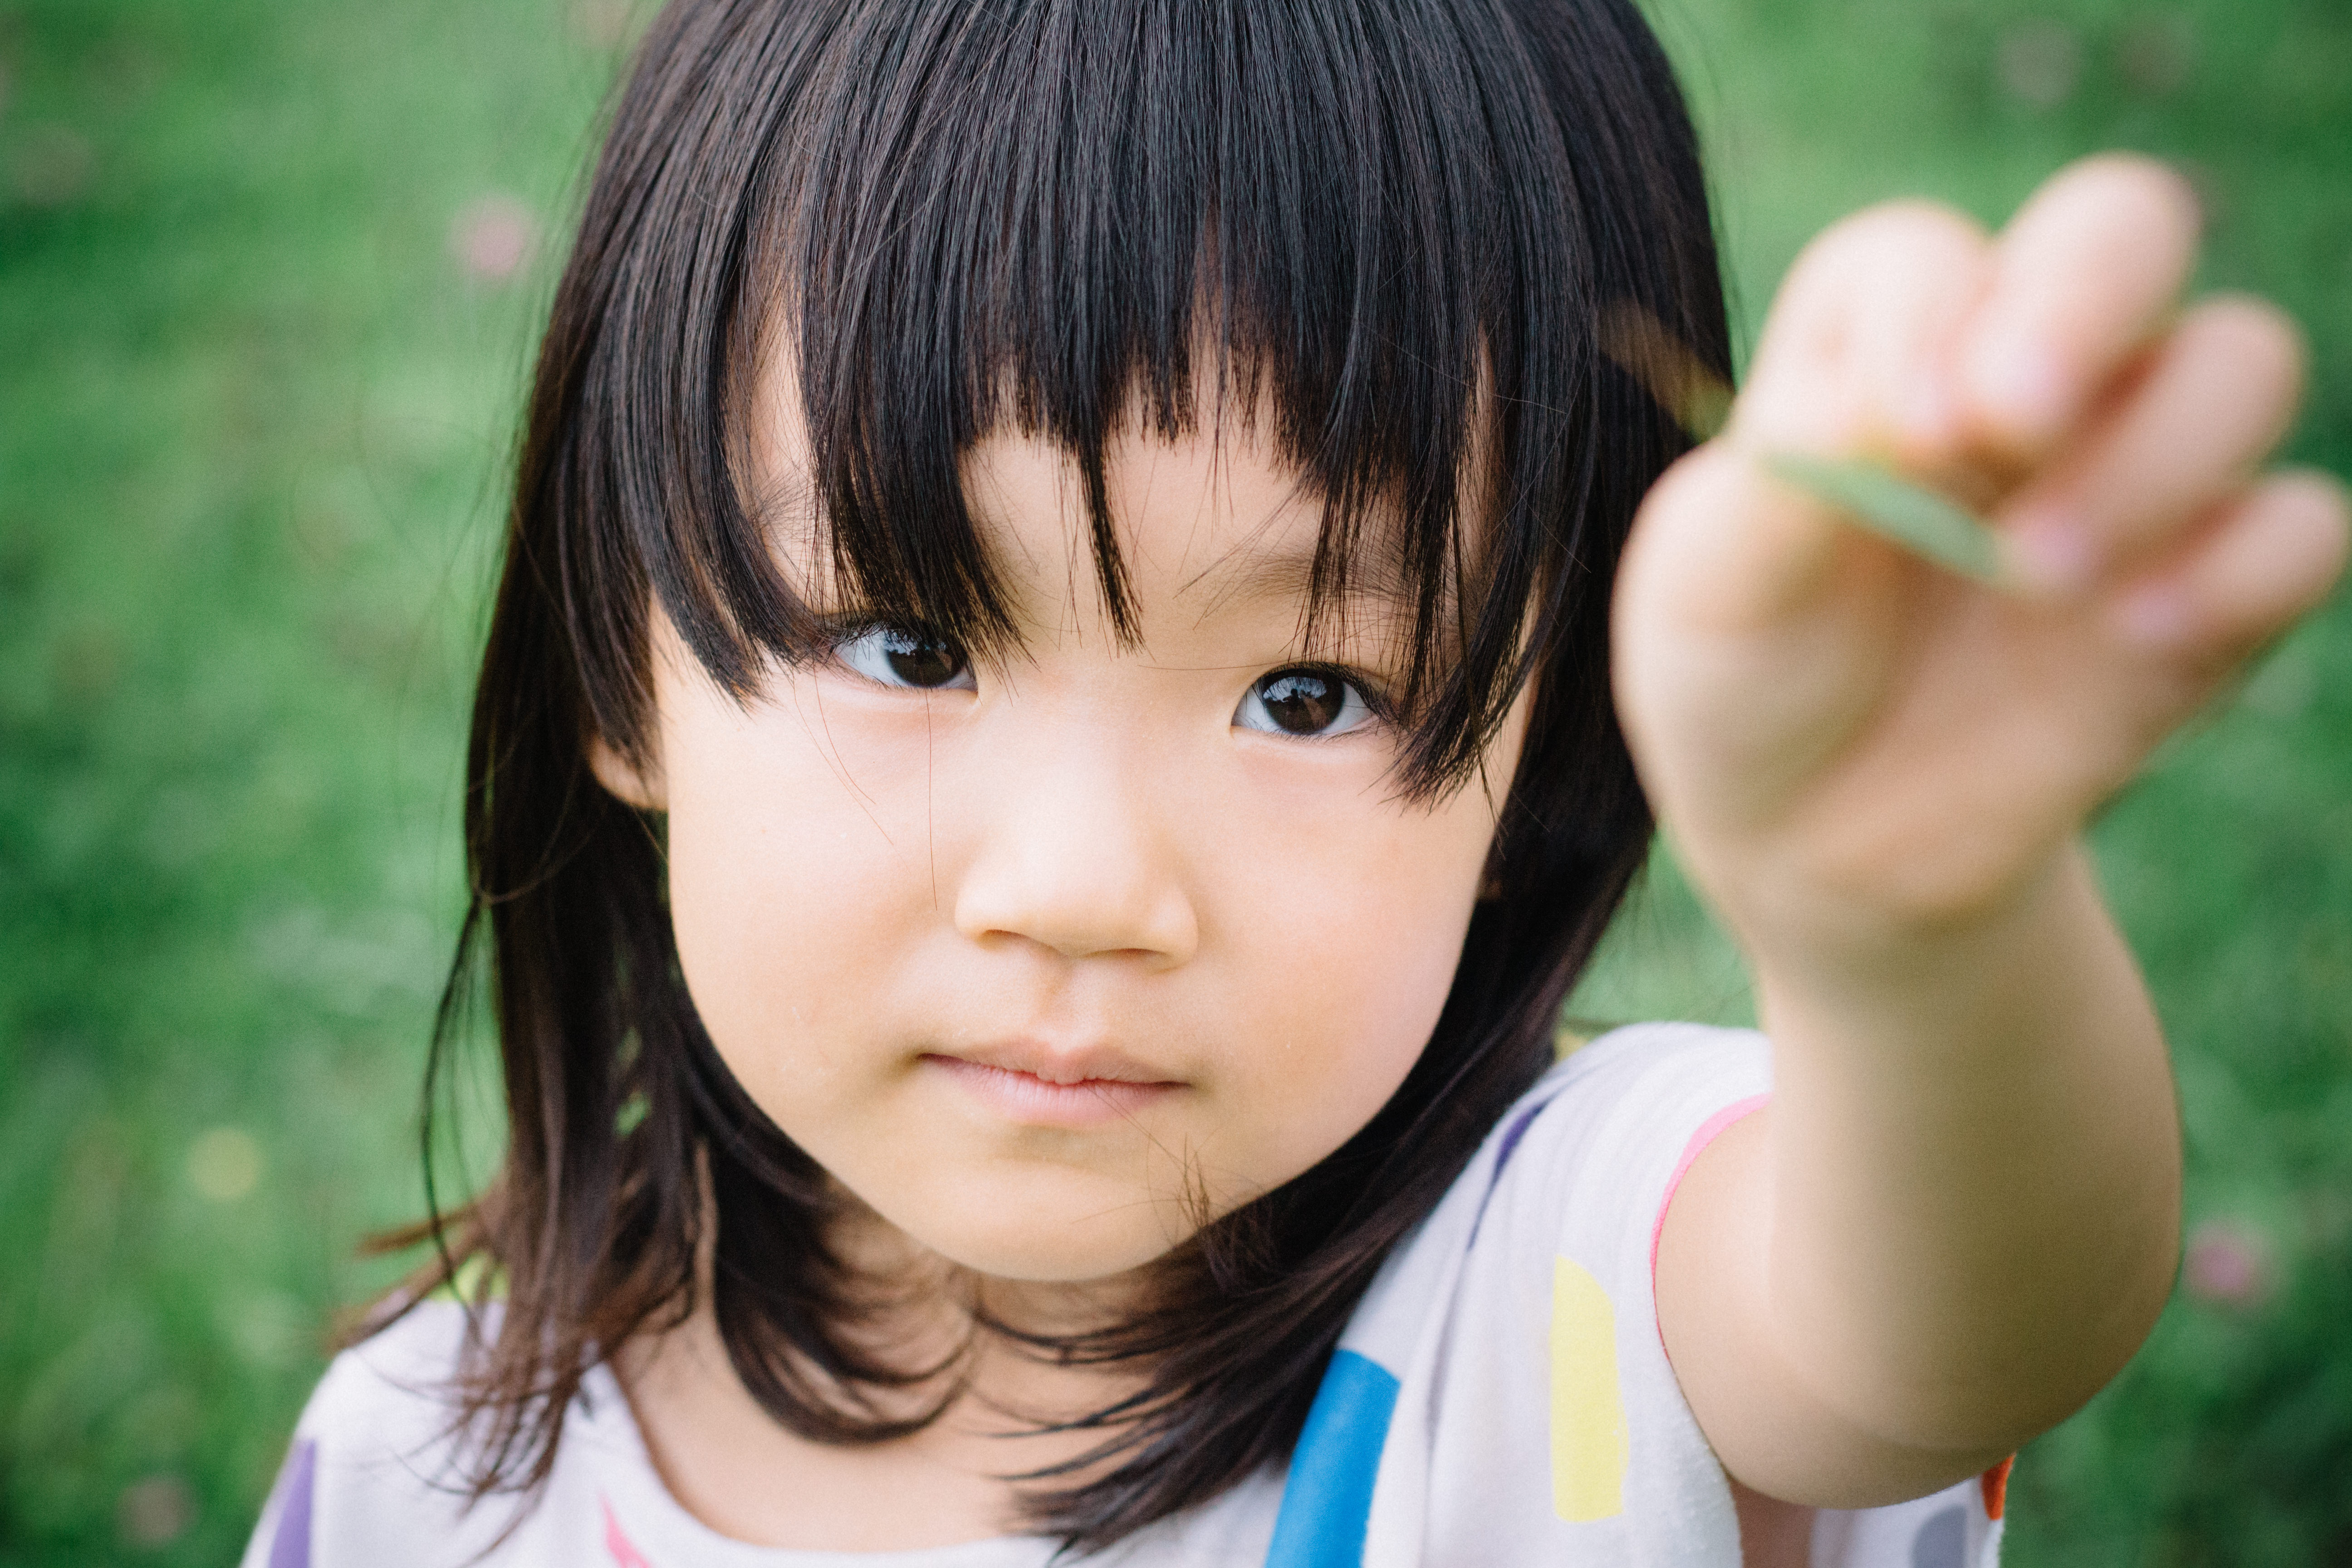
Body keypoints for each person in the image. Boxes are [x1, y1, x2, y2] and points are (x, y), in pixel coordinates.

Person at [241, 1, 2347, 1564]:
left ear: (1539, 740)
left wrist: (1918, 933)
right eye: (906, 643)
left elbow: (1956, 1323)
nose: (1078, 888)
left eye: (1315, 691)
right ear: (626, 661)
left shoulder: (1580, 1293)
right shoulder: (423, 1470)